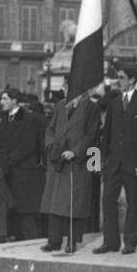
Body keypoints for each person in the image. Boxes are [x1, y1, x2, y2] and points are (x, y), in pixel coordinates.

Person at [95, 62, 137, 255]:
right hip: (113, 164)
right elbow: (107, 134)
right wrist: (102, 160)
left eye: (121, 78)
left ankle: (130, 242)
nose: (118, 81)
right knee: (108, 201)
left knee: (133, 204)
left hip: (133, 164)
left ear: (132, 80)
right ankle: (110, 242)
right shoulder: (113, 104)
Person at [39, 89, 101, 253]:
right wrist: (51, 144)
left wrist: (76, 151)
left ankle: (72, 241)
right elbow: (50, 128)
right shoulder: (61, 105)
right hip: (57, 159)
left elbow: (91, 134)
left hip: (76, 161)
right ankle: (54, 241)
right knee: (55, 202)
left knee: (74, 203)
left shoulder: (91, 107)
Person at [0, 87, 45, 240]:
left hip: (24, 172)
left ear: (14, 100)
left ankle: (32, 242)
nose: (1, 102)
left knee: (27, 212)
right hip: (10, 172)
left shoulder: (28, 118)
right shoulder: (4, 119)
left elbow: (28, 146)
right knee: (15, 210)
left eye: (4, 99)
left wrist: (8, 161)